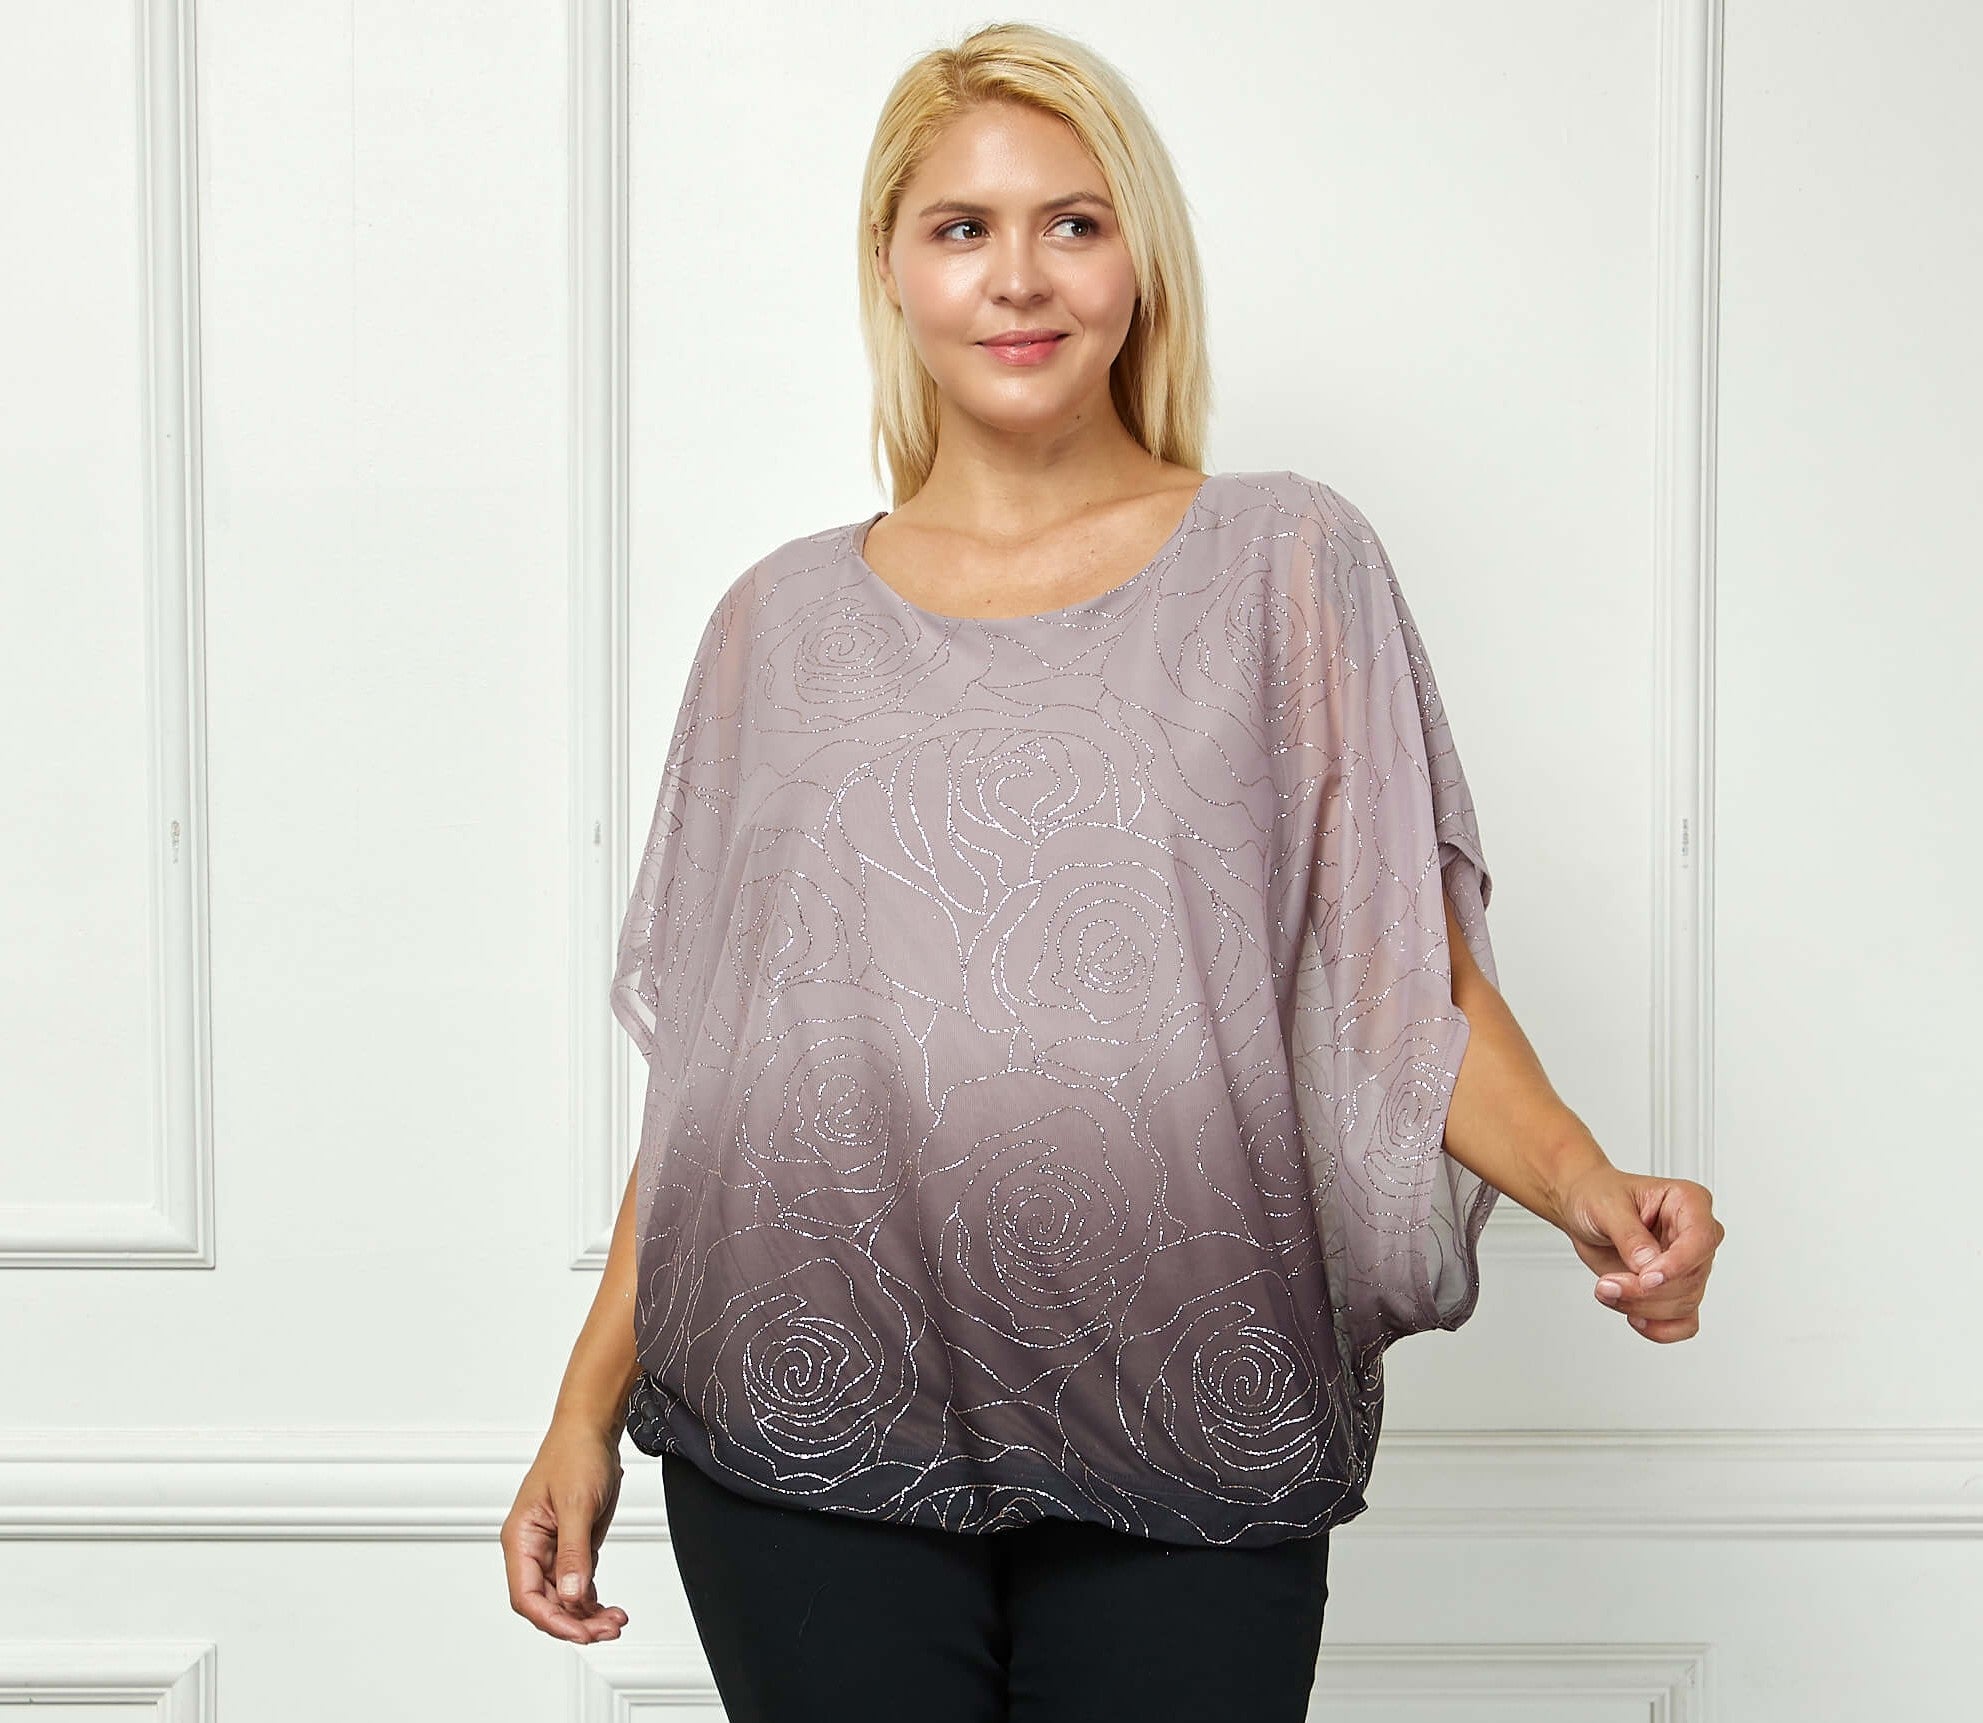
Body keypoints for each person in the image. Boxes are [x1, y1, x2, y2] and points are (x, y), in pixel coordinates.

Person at [501, 19, 1726, 1719]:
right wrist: (581, 1408)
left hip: (1190, 1399)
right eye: (964, 228)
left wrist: (1591, 1185)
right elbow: (722, 1084)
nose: (1020, 277)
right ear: (892, 267)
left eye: (1072, 223)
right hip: (801, 1428)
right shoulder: (777, 626)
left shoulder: (1287, 562)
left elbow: (1403, 994)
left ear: (1138, 262)